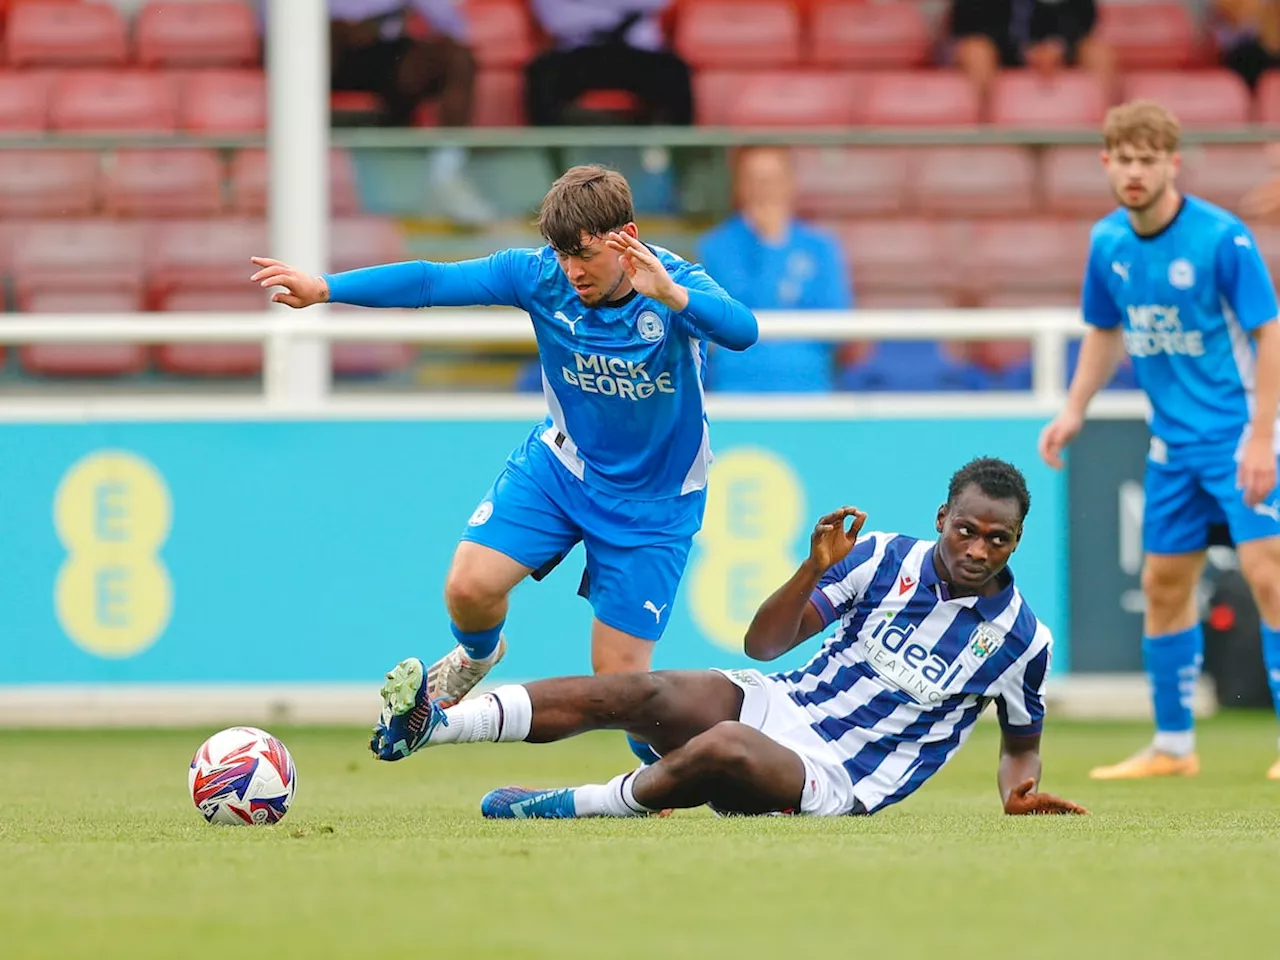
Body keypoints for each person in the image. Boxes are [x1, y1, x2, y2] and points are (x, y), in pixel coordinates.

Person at [250, 165, 758, 766]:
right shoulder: (538, 276)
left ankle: (671, 784)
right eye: (562, 255)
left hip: (655, 502)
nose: (573, 271)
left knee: (622, 687)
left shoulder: (675, 285)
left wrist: (671, 295)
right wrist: (326, 289)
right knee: (469, 585)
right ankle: (475, 657)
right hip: (562, 469)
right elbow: (431, 282)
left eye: (586, 255)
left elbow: (744, 331)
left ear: (627, 235)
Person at [367, 458, 1088, 821]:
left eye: (999, 539)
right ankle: (433, 724)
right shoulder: (882, 558)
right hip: (779, 703)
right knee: (639, 690)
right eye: (967, 530)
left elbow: (1020, 739)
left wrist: (1017, 793)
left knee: (721, 748)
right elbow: (763, 647)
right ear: (943, 518)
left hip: (839, 780)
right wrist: (813, 569)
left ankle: (576, 804)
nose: (978, 548)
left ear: (1016, 541)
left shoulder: (1022, 639)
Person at [1039, 99, 1280, 780]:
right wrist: (1074, 409)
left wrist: (1263, 436)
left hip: (1237, 439)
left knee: (1270, 576)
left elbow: (1270, 333)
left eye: (1150, 160)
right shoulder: (1107, 243)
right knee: (1164, 583)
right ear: (1107, 163)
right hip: (1171, 446)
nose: (1136, 172)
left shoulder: (1221, 237)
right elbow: (1105, 330)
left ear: (1173, 164)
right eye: (1125, 160)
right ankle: (1173, 746)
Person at [695, 146, 852, 392]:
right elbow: (730, 324)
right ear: (739, 186)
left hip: (808, 389)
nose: (764, 189)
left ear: (790, 183)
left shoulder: (821, 248)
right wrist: (769, 245)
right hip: (736, 391)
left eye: (772, 179)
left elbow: (835, 327)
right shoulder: (715, 248)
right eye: (755, 180)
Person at [326, 0, 491, 224]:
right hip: (319, 53)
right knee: (325, 34)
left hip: (389, 53)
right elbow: (275, 26)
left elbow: (453, 27)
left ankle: (446, 175)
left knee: (456, 57)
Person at [524, 0, 693, 126]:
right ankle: (549, 153)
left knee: (676, 72)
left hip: (637, 54)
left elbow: (657, 3)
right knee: (541, 73)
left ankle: (682, 158)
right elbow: (554, 17)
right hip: (579, 53)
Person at [949, 0, 1116, 111]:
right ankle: (985, 130)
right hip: (995, 49)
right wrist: (1022, 50)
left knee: (1099, 52)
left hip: (1054, 49)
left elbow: (1084, 21)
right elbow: (965, 25)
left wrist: (1060, 46)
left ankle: (1114, 130)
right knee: (978, 52)